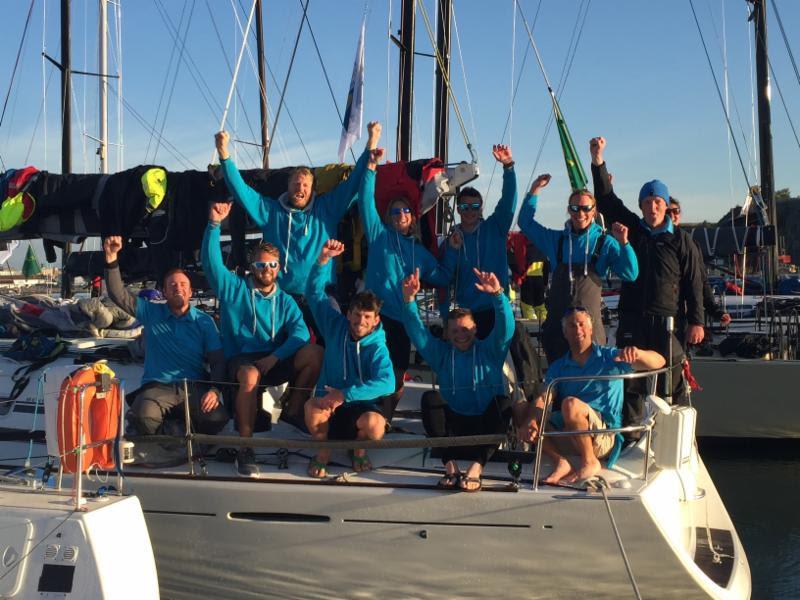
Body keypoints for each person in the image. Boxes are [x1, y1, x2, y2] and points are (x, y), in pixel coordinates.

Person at [214, 123, 380, 338]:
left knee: (336, 339)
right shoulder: (270, 211)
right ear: (288, 186)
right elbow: (241, 191)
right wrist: (224, 154)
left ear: (312, 190)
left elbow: (354, 182)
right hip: (282, 296)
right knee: (281, 347)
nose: (300, 188)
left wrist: (371, 143)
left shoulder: (326, 208)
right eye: (296, 184)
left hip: (321, 295)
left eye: (305, 185)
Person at [201, 202, 323, 477]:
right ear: (253, 266)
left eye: (271, 264)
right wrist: (214, 225)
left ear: (278, 268)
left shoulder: (286, 301)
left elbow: (301, 333)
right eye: (260, 264)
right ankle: (246, 447)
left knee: (314, 354)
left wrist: (276, 356)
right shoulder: (234, 289)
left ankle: (293, 411)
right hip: (243, 362)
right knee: (249, 375)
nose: (266, 269)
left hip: (273, 358)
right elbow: (211, 263)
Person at [590, 136, 704, 415]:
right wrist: (597, 161)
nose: (652, 207)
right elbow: (607, 200)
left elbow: (694, 282)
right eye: (647, 202)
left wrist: (697, 321)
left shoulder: (681, 240)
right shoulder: (634, 229)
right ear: (640, 205)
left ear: (666, 206)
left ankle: (672, 436)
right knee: (630, 379)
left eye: (657, 202)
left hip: (668, 321)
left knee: (671, 378)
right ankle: (629, 438)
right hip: (632, 317)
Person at [358, 133, 455, 421]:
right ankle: (366, 416)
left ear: (412, 217)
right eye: (395, 210)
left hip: (402, 318)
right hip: (374, 316)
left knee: (398, 375)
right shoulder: (378, 236)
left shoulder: (421, 253)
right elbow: (365, 200)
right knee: (368, 370)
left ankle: (385, 420)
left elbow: (443, 276)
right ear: (388, 216)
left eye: (405, 210)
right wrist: (371, 168)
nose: (400, 214)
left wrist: (452, 248)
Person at [515, 307, 665, 483]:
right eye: (572, 326)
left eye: (581, 324)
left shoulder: (610, 357)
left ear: (591, 329)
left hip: (603, 438)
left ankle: (590, 461)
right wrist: (530, 421)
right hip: (567, 434)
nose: (578, 329)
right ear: (565, 333)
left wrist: (638, 353)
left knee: (570, 405)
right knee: (521, 410)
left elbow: (659, 362)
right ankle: (560, 461)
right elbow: (544, 398)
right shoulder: (558, 367)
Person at [401, 267, 514, 492]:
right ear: (447, 333)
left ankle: (476, 469)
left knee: (503, 403)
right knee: (430, 398)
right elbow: (417, 332)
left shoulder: (490, 351)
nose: (460, 335)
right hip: (454, 432)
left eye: (466, 329)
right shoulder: (441, 354)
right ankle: (450, 468)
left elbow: (506, 329)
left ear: (475, 329)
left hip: (484, 430)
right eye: (455, 331)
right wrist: (409, 301)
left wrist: (497, 295)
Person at [103, 236, 229, 437]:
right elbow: (118, 294)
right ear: (163, 291)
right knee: (143, 417)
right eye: (172, 285)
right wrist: (111, 257)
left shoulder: (204, 321)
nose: (178, 287)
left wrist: (214, 390)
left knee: (217, 419)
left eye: (182, 284)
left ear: (190, 291)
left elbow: (217, 361)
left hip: (192, 387)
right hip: (157, 387)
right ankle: (174, 430)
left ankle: (172, 429)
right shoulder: (151, 313)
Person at [517, 173, 638, 362]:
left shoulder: (605, 243)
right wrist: (535, 189)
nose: (580, 213)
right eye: (574, 208)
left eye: (585, 208)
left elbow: (630, 274)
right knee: (558, 385)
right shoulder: (556, 240)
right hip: (558, 333)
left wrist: (624, 244)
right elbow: (525, 223)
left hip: (590, 334)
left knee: (590, 383)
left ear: (594, 211)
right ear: (568, 210)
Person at [304, 240, 395, 479]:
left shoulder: (378, 347)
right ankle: (323, 452)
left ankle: (359, 449)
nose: (361, 321)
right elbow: (313, 293)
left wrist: (345, 394)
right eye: (356, 315)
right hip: (327, 404)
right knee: (311, 410)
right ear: (348, 314)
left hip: (359, 405)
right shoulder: (334, 325)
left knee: (375, 426)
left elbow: (388, 383)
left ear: (375, 320)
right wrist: (322, 261)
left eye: (367, 317)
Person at [442, 144, 517, 338]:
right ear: (458, 209)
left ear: (481, 208)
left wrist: (508, 166)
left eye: (475, 206)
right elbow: (444, 278)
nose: (470, 211)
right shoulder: (451, 240)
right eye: (465, 206)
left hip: (497, 308)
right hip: (467, 314)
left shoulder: (495, 228)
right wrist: (451, 250)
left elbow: (508, 201)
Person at [667, 197, 732, 341]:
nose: (671, 215)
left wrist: (714, 311)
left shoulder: (690, 243)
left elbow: (699, 280)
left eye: (675, 211)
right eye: (667, 212)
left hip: (681, 314)